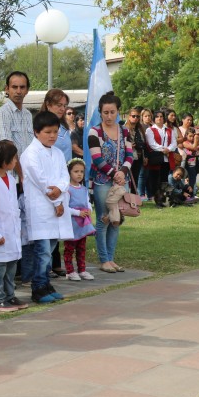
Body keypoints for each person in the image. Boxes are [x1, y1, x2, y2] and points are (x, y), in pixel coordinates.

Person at [20, 110, 72, 304]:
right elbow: (41, 182)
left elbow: (64, 176)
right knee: (42, 252)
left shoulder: (57, 153)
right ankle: (38, 288)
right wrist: (56, 200)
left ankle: (46, 284)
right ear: (36, 132)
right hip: (41, 208)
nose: (52, 136)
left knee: (49, 250)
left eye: (55, 132)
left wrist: (60, 189)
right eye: (48, 132)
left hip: (56, 207)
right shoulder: (30, 154)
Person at [88, 92, 132, 273]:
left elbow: (130, 155)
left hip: (122, 181)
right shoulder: (94, 132)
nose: (109, 116)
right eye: (105, 112)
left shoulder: (125, 131)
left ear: (118, 112)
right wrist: (115, 173)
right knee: (103, 219)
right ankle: (104, 259)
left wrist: (123, 171)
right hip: (102, 181)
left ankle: (111, 258)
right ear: (100, 112)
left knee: (117, 219)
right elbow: (97, 158)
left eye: (112, 112)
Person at [0, 140, 28, 312]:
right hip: (0, 234)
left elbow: (13, 207)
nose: (16, 161)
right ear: (4, 161)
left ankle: (10, 295)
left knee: (11, 267)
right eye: (14, 158)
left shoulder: (10, 178)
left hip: (12, 232)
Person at [41, 89, 72, 277]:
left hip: (64, 177)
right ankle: (47, 266)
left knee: (59, 222)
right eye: (58, 105)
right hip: (51, 180)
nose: (62, 109)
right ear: (48, 104)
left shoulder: (64, 126)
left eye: (64, 105)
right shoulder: (43, 126)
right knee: (49, 222)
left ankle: (55, 261)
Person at [0, 71, 33, 179]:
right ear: (7, 89)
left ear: (27, 90)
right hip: (9, 178)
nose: (18, 91)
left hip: (27, 177)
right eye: (14, 87)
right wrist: (21, 175)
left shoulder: (28, 115)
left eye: (22, 87)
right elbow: (8, 148)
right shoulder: (3, 112)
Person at [64, 159, 95, 281]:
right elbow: (65, 207)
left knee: (82, 247)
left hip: (83, 223)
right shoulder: (67, 189)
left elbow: (88, 203)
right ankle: (70, 271)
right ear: (69, 173)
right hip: (72, 223)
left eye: (81, 171)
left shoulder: (84, 189)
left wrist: (89, 210)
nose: (79, 174)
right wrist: (77, 212)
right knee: (69, 247)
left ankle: (82, 269)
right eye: (76, 171)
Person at [146, 109, 176, 207]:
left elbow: (174, 143)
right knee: (155, 180)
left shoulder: (169, 130)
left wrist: (168, 149)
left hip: (167, 158)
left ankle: (163, 199)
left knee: (164, 180)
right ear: (154, 119)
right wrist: (164, 150)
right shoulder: (150, 130)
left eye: (161, 116)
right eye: (157, 117)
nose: (159, 118)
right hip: (156, 158)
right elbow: (152, 144)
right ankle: (157, 200)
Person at [125, 107, 145, 200]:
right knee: (126, 178)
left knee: (135, 177)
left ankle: (134, 197)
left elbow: (144, 142)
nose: (135, 118)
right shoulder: (124, 128)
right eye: (133, 116)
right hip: (127, 155)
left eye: (137, 116)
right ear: (129, 117)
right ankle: (125, 198)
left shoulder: (140, 129)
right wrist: (129, 145)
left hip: (139, 155)